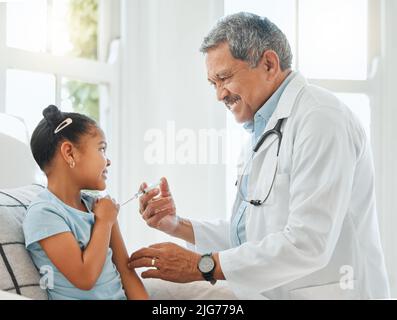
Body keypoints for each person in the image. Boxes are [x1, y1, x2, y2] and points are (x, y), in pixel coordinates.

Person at [128, 12, 390, 299]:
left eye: (224, 78)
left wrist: (202, 265)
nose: (219, 94)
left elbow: (309, 242)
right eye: (212, 83)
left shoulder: (321, 119)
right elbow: (253, 233)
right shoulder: (262, 129)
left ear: (268, 64)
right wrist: (178, 226)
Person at [23, 105, 148, 300]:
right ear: (69, 153)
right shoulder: (44, 213)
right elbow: (85, 277)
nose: (108, 161)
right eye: (102, 149)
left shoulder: (98, 207)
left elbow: (126, 273)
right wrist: (104, 222)